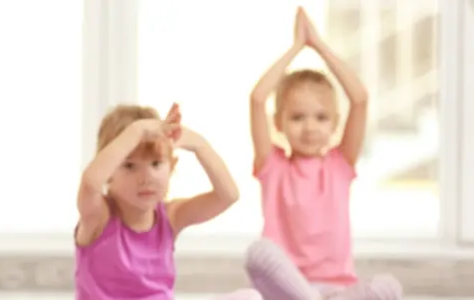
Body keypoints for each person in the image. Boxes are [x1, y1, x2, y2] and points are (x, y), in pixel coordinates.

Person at [244, 7, 402, 300]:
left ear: (335, 124)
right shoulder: (273, 165)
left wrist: (318, 45)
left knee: (388, 285)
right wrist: (295, 48)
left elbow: (360, 98)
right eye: (297, 117)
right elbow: (257, 98)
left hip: (336, 288)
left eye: (320, 117)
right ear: (278, 122)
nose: (309, 127)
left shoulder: (340, 164)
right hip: (286, 287)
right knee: (258, 253)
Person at [74, 103, 261, 300]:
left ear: (171, 167)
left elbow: (228, 195)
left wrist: (200, 145)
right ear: (109, 172)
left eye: (156, 164)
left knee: (249, 297)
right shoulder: (98, 216)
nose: (146, 178)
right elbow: (89, 184)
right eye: (130, 166)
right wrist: (136, 131)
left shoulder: (171, 216)